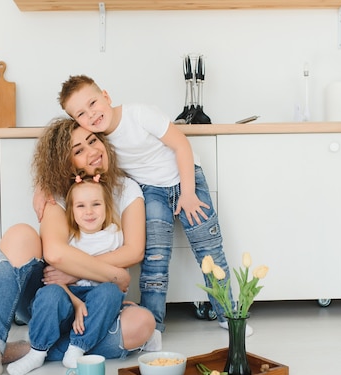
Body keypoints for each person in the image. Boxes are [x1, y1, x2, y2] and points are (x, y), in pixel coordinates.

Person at [0, 117, 156, 375]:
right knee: (20, 234)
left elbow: (134, 251)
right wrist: (114, 274)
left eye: (93, 141)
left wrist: (80, 271)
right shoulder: (59, 191)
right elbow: (56, 254)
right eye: (78, 150)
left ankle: (34, 348)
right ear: (67, 162)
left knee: (143, 324)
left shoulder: (126, 188)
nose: (92, 151)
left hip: (97, 299)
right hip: (52, 294)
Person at [57, 75, 252, 338]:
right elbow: (62, 159)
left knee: (209, 250)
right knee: (155, 260)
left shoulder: (139, 114)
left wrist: (189, 193)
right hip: (152, 192)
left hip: (186, 179)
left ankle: (228, 314)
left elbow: (181, 144)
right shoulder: (98, 142)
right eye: (81, 113)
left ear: (106, 95)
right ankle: (154, 326)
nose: (91, 114)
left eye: (93, 103)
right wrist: (41, 190)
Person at [6, 172, 132, 375]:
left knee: (111, 292)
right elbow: (51, 278)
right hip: (67, 298)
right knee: (50, 294)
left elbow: (118, 278)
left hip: (95, 302)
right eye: (81, 206)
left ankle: (77, 348)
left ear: (106, 206)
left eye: (96, 204)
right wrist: (75, 302)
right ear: (71, 211)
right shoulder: (68, 238)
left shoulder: (114, 237)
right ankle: (37, 351)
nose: (89, 212)